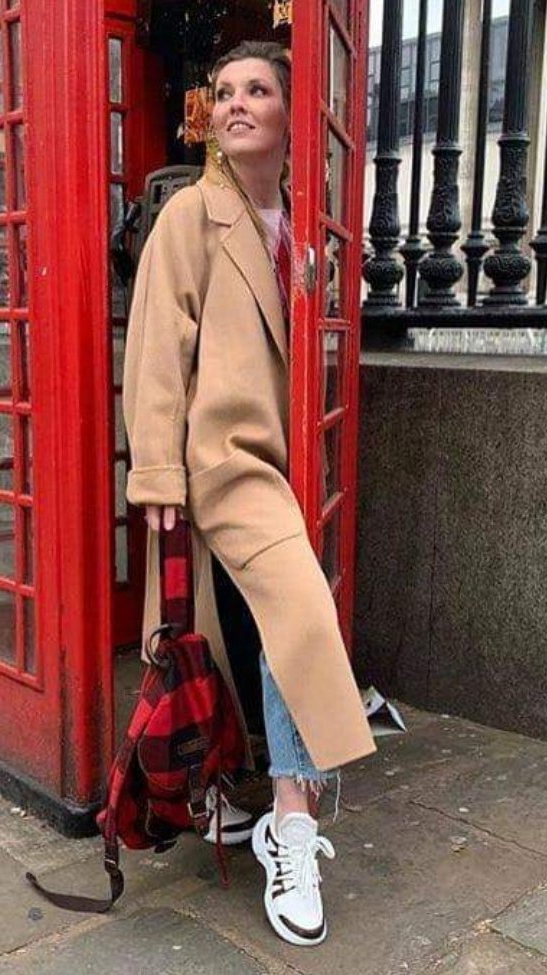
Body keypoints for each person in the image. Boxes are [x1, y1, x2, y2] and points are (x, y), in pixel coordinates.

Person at [121, 39, 376, 947]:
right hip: (223, 460)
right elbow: (157, 346)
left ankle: (222, 793)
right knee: (298, 615)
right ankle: (293, 824)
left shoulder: (301, 225)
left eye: (258, 90)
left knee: (244, 635)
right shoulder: (191, 215)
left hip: (293, 459)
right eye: (224, 91)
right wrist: (156, 470)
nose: (235, 103)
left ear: (290, 116)